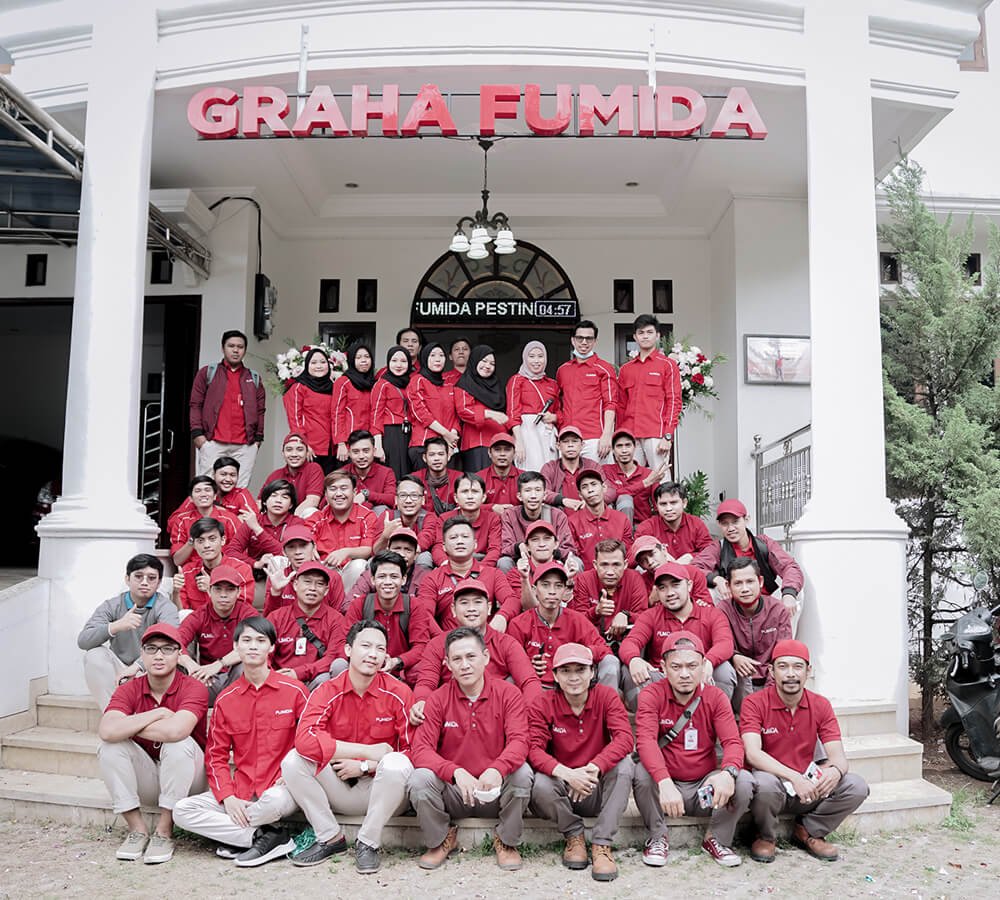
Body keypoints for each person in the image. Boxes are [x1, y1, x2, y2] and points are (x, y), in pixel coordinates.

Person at [172, 617, 309, 867]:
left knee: (273, 802)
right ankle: (263, 836)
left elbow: (309, 740)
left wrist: (291, 772)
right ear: (236, 647)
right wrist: (228, 797)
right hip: (241, 790)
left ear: (272, 647)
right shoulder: (226, 700)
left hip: (281, 789)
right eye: (246, 640)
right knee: (182, 810)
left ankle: (237, 836)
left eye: (260, 640)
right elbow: (216, 756)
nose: (253, 646)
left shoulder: (295, 691)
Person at [281, 620, 414, 874]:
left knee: (397, 763)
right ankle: (330, 837)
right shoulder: (326, 691)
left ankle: (368, 843)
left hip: (385, 792)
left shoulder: (399, 692)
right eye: (366, 646)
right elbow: (305, 740)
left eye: (380, 649)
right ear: (348, 650)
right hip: (341, 786)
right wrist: (365, 752)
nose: (373, 654)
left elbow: (413, 751)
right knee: (293, 760)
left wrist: (367, 766)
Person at [409, 627, 533, 871]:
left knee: (523, 773)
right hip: (455, 792)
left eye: (471, 656)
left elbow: (520, 741)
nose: (464, 665)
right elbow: (421, 749)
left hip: (495, 790)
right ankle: (441, 838)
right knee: (420, 779)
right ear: (447, 664)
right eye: (457, 659)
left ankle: (506, 840)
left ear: (485, 657)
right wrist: (455, 772)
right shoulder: (438, 699)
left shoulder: (508, 694)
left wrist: (498, 769)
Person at [741, 640, 869, 863]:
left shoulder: (820, 705)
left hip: (808, 788)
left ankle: (808, 830)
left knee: (856, 786)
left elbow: (838, 757)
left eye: (797, 666)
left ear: (808, 671)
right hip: (773, 785)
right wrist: (794, 777)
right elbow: (753, 753)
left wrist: (835, 771)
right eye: (783, 666)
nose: (791, 674)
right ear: (771, 671)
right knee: (764, 783)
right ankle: (765, 835)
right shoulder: (754, 703)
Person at [634, 631, 752, 868]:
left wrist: (728, 772)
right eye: (676, 666)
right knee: (640, 773)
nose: (685, 674)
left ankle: (716, 838)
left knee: (744, 780)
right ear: (663, 668)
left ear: (703, 665)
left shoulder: (715, 697)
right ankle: (657, 837)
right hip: (665, 792)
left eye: (692, 666)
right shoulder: (651, 695)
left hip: (703, 789)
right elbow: (645, 741)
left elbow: (733, 742)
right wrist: (664, 781)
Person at [96, 623, 208, 865]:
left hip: (191, 780)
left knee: (178, 744)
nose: (159, 655)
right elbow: (107, 730)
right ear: (142, 654)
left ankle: (164, 831)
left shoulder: (194, 687)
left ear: (179, 654)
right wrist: (158, 713)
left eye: (167, 649)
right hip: (149, 777)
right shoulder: (129, 689)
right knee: (110, 747)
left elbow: (176, 731)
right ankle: (137, 829)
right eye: (151, 648)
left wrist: (130, 724)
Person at [528, 643, 634, 881]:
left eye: (580, 669)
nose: (574, 677)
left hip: (593, 786)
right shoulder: (543, 703)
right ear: (555, 675)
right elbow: (533, 750)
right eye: (565, 671)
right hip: (561, 790)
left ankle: (601, 843)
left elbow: (625, 738)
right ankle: (573, 835)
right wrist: (568, 774)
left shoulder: (606, 696)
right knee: (539, 783)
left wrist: (594, 767)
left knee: (625, 766)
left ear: (593, 672)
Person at [619, 562, 736, 711]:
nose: (670, 593)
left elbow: (725, 643)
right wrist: (634, 659)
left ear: (689, 586)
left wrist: (708, 662)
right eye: (662, 588)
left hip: (699, 677)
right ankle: (649, 718)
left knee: (724, 670)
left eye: (675, 585)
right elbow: (630, 642)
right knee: (629, 668)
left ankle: (712, 716)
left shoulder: (711, 614)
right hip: (662, 679)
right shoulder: (650, 616)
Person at [411, 579, 542, 711]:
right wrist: (422, 702)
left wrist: (526, 713)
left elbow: (529, 682)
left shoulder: (506, 643)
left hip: (498, 712)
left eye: (478, 602)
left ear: (489, 608)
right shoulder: (437, 644)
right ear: (453, 609)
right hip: (452, 713)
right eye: (464, 603)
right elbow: (426, 683)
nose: (471, 608)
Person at [78, 554, 179, 709]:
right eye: (138, 576)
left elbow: (170, 642)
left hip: (150, 668)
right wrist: (116, 626)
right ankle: (113, 714)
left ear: (159, 583)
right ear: (127, 579)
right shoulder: (112, 605)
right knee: (93, 655)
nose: (144, 582)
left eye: (151, 578)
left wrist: (138, 666)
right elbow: (84, 640)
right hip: (120, 669)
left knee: (166, 655)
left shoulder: (165, 607)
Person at [507, 562, 618, 690]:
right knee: (509, 679)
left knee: (611, 661)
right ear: (534, 589)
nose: (552, 592)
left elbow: (604, 649)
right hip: (533, 687)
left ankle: (606, 701)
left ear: (565, 590)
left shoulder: (576, 620)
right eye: (545, 585)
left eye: (558, 586)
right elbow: (508, 659)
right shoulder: (519, 623)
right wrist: (526, 664)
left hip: (572, 689)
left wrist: (583, 652)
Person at [694, 499, 804, 619]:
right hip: (735, 605)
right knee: (711, 592)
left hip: (765, 602)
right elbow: (694, 568)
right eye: (725, 523)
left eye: (735, 522)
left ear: (746, 520)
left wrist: (789, 594)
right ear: (719, 524)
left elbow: (789, 566)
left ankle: (785, 632)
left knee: (796, 594)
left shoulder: (764, 544)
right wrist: (716, 579)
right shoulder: (717, 548)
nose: (730, 528)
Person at [343, 551, 438, 686]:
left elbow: (421, 646)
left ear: (403, 579)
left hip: (400, 670)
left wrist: (397, 661)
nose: (388, 582)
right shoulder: (360, 604)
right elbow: (347, 641)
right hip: (365, 666)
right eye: (382, 576)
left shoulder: (414, 605)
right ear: (373, 580)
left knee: (419, 669)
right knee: (339, 665)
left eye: (394, 576)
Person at [415, 517, 521, 632]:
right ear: (444, 546)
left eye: (465, 537)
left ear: (475, 544)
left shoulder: (493, 574)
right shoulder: (432, 578)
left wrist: (502, 616)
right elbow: (424, 613)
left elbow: (512, 599)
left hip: (485, 639)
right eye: (453, 537)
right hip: (450, 639)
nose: (460, 541)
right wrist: (441, 638)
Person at [190, 329, 266, 486]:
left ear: (245, 350)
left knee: (239, 489)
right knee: (206, 487)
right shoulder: (207, 373)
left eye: (240, 347)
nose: (236, 350)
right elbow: (195, 405)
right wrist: (198, 435)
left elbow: (260, 410)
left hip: (245, 445)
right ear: (223, 348)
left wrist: (258, 439)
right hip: (213, 442)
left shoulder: (254, 378)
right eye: (231, 346)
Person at [719, 557, 792, 712]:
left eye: (750, 582)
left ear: (760, 582)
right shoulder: (723, 610)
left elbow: (783, 654)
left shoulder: (777, 610)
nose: (745, 589)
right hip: (740, 682)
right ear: (728, 586)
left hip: (771, 681)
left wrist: (769, 693)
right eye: (738, 583)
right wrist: (734, 656)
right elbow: (719, 643)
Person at [178, 566, 258, 703]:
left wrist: (219, 664)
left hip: (237, 679)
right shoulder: (200, 615)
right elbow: (175, 642)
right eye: (218, 589)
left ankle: (243, 707)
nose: (223, 595)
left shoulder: (248, 613)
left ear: (238, 592)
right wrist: (192, 666)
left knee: (248, 663)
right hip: (207, 679)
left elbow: (253, 647)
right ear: (209, 591)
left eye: (230, 589)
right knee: (175, 662)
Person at [617, 314, 682, 474]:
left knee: (661, 480)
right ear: (635, 337)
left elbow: (674, 401)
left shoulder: (668, 365)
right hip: (630, 435)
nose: (645, 336)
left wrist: (668, 436)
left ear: (657, 335)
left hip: (656, 434)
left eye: (649, 332)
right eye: (641, 333)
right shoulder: (626, 369)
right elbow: (621, 406)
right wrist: (620, 436)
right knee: (630, 480)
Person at [267, 562, 347, 689]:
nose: (313, 588)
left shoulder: (336, 620)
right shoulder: (277, 617)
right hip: (280, 681)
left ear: (326, 590)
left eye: (319, 584)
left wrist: (299, 673)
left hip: (315, 681)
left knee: (327, 677)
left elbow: (334, 656)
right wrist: (272, 675)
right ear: (295, 585)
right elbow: (264, 652)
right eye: (307, 582)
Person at [308, 469, 379, 598]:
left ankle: (346, 606)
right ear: (326, 494)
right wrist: (310, 544)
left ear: (354, 492)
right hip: (324, 570)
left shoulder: (366, 516)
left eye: (344, 488)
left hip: (351, 571)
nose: (338, 494)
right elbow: (305, 536)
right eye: (333, 489)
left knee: (359, 565)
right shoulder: (318, 517)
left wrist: (346, 552)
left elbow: (368, 549)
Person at [555, 320, 617, 462]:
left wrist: (606, 435)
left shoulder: (605, 369)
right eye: (580, 338)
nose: (584, 342)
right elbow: (558, 404)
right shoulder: (563, 370)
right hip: (568, 437)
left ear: (595, 341)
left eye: (589, 338)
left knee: (595, 476)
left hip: (594, 438)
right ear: (573, 340)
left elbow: (611, 403)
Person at [499, 470, 580, 572]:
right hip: (522, 562)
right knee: (504, 562)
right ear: (519, 496)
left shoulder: (557, 515)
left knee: (576, 561)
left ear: (545, 495)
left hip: (553, 563)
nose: (533, 496)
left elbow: (569, 549)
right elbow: (505, 548)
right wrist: (518, 547)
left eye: (538, 490)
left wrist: (548, 551)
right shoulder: (510, 515)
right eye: (528, 490)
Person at [569, 539, 648, 641]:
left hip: (627, 640)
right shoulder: (584, 579)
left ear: (625, 564)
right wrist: (596, 611)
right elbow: (576, 621)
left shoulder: (634, 578)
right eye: (604, 565)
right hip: (592, 641)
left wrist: (627, 615)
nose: (610, 572)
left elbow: (644, 618)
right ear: (595, 565)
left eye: (616, 565)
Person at [262, 524, 346, 616]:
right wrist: (275, 593)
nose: (298, 552)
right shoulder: (278, 577)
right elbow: (269, 619)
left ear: (314, 547)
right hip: (286, 624)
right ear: (284, 552)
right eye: (291, 547)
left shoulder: (332, 577)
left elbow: (338, 617)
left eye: (303, 546)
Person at [171, 518, 253, 612]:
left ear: (223, 540)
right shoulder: (187, 571)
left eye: (212, 539)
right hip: (196, 620)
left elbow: (242, 611)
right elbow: (181, 614)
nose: (206, 545)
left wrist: (211, 589)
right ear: (194, 545)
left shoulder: (241, 569)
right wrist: (176, 592)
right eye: (200, 541)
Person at [226, 478, 305, 570]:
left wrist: (257, 529)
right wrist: (255, 564)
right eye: (274, 496)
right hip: (256, 573)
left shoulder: (297, 523)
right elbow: (231, 551)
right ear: (264, 501)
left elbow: (288, 554)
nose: (278, 500)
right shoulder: (253, 520)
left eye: (285, 497)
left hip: (287, 572)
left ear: (291, 505)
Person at [426, 473, 502, 567]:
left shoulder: (492, 518)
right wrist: (446, 565)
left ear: (483, 497)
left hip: (483, 562)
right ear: (456, 498)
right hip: (452, 563)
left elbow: (495, 549)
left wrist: (480, 569)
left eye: (475, 491)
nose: (470, 496)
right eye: (464, 491)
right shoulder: (444, 518)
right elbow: (439, 547)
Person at [507, 340, 560, 472]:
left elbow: (560, 411)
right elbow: (512, 413)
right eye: (531, 356)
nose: (536, 361)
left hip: (547, 432)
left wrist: (554, 417)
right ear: (525, 358)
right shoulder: (517, 380)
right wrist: (519, 441)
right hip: (526, 432)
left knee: (550, 471)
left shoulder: (552, 384)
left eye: (540, 356)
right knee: (530, 472)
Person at [455, 344, 509, 471]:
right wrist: (490, 414)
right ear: (474, 360)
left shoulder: (497, 386)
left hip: (501, 442)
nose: (488, 366)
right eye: (484, 361)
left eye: (492, 363)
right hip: (477, 443)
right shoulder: (464, 384)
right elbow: (464, 411)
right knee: (478, 480)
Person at [407, 343, 460, 470]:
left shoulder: (449, 385)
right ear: (425, 358)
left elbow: (456, 415)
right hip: (423, 445)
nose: (438, 359)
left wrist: (452, 439)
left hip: (448, 447)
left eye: (441, 355)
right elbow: (421, 413)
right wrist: (446, 434)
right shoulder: (417, 380)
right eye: (433, 355)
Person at [283, 346, 336, 471]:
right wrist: (304, 445)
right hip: (311, 449)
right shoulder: (298, 387)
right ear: (307, 365)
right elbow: (294, 420)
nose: (319, 366)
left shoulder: (333, 387)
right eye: (314, 363)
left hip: (331, 449)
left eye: (323, 362)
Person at [167, 476, 240, 566]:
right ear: (191, 499)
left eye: (207, 490)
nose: (203, 494)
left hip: (224, 568)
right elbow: (177, 561)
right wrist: (192, 541)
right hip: (194, 570)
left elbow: (239, 552)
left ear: (215, 496)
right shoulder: (182, 520)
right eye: (198, 491)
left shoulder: (230, 519)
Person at [351, 526, 431, 607]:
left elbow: (426, 609)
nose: (402, 554)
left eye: (408, 550)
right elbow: (349, 604)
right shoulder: (373, 572)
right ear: (388, 550)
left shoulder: (425, 577)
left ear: (416, 555)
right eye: (397, 548)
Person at [635, 481, 712, 563]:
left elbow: (710, 552)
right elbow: (635, 557)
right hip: (659, 569)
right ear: (656, 506)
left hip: (690, 568)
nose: (668, 509)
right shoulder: (646, 528)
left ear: (684, 503)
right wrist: (658, 556)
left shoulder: (696, 524)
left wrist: (691, 556)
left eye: (673, 503)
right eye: (663, 504)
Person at [569, 469, 632, 568]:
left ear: (604, 488)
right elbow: (574, 555)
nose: (590, 490)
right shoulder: (572, 522)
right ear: (580, 494)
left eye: (594, 484)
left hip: (618, 572)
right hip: (587, 575)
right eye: (585, 487)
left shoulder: (621, 518)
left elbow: (627, 552)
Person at [541, 426, 614, 511]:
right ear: (558, 446)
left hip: (589, 514)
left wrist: (592, 501)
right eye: (565, 441)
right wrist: (563, 500)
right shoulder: (550, 467)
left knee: (609, 507)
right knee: (544, 509)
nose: (570, 445)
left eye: (574, 441)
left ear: (582, 445)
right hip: (560, 516)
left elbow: (610, 490)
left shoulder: (592, 466)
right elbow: (542, 492)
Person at [630, 534, 713, 606]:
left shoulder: (692, 572)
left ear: (664, 550)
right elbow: (640, 613)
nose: (650, 562)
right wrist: (651, 600)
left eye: (652, 554)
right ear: (641, 566)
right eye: (643, 561)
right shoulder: (641, 582)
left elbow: (708, 607)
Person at [371, 475, 439, 564]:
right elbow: (376, 552)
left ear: (423, 500)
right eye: (403, 495)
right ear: (396, 500)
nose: (408, 501)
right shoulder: (388, 516)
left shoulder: (429, 517)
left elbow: (425, 539)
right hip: (389, 562)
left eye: (414, 495)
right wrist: (385, 536)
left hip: (415, 560)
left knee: (425, 557)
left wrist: (404, 554)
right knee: (370, 562)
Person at [602, 429, 664, 525]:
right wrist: (644, 483)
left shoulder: (648, 474)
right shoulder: (606, 471)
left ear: (634, 447)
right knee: (625, 499)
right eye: (619, 446)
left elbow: (659, 506)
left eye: (628, 445)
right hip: (614, 527)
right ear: (613, 450)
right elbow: (611, 495)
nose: (624, 450)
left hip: (642, 527)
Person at [371, 345, 413, 481]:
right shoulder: (382, 384)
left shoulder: (411, 383)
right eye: (394, 361)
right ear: (388, 362)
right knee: (394, 472)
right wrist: (378, 445)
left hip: (409, 432)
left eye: (403, 361)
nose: (398, 365)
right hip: (391, 433)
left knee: (408, 471)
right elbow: (376, 415)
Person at [332, 341, 375, 465]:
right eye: (358, 357)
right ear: (351, 360)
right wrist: (341, 443)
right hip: (349, 444)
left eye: (367, 357)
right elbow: (337, 413)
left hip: (368, 444)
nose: (364, 360)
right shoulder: (343, 382)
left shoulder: (374, 383)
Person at [260, 433, 325, 517]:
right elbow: (260, 501)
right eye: (289, 450)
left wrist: (292, 521)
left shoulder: (314, 469)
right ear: (283, 453)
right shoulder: (275, 475)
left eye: (300, 449)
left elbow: (312, 501)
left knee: (310, 511)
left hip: (304, 518)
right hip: (280, 519)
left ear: (307, 453)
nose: (294, 454)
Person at [343, 429, 397, 513]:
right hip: (349, 515)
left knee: (381, 509)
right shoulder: (342, 473)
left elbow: (392, 499)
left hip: (376, 517)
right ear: (349, 453)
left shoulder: (386, 472)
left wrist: (366, 494)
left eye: (366, 451)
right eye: (356, 452)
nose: (361, 456)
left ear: (374, 451)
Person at [412, 436, 462, 514]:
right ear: (424, 458)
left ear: (448, 456)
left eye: (441, 454)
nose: (436, 458)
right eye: (432, 455)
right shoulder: (414, 479)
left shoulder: (460, 478)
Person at [477, 433, 522, 514]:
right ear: (489, 453)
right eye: (497, 450)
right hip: (488, 521)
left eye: (507, 450)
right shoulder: (478, 478)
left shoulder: (524, 477)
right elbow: (463, 505)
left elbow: (535, 503)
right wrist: (491, 508)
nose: (502, 454)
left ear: (514, 453)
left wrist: (515, 511)